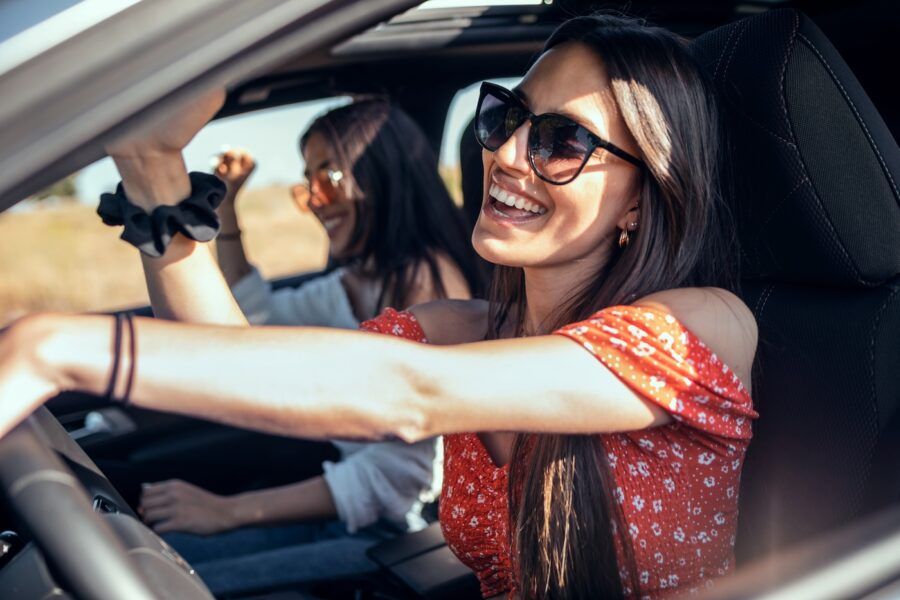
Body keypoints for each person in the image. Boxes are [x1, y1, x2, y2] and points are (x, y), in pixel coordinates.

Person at [0, 14, 758, 599]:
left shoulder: (702, 327)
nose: (507, 154)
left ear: (643, 197)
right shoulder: (461, 330)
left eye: (562, 141)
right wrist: (151, 164)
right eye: (507, 119)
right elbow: (236, 357)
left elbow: (405, 393)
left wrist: (50, 343)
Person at [136, 100, 484, 596]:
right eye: (308, 182)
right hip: (352, 507)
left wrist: (225, 511)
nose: (316, 199)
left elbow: (400, 476)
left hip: (409, 533)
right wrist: (228, 209)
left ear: (381, 176)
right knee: (165, 562)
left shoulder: (432, 287)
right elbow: (255, 322)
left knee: (190, 585)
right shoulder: (357, 280)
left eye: (331, 177)